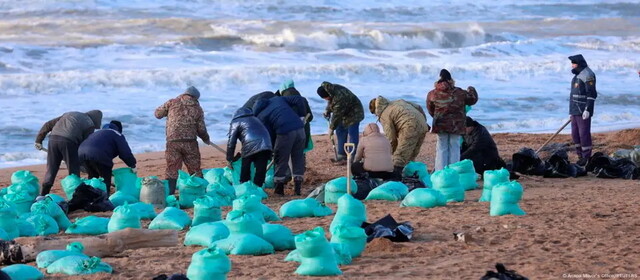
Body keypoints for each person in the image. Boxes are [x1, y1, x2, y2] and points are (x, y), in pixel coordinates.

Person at [155, 86, 211, 194]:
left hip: (173, 141)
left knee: (172, 169)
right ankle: (200, 193)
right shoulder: (197, 109)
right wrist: (206, 139)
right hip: (190, 142)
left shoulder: (171, 102)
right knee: (195, 169)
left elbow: (157, 114)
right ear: (195, 98)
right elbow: (201, 129)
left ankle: (170, 194)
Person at [35, 110, 103, 196]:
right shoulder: (90, 124)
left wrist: (38, 140)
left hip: (53, 139)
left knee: (51, 169)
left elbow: (48, 125)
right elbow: (85, 146)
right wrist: (81, 163)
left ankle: (43, 194)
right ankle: (75, 196)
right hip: (69, 142)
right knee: (73, 171)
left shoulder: (69, 114)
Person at [253, 95, 308, 195]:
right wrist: (302, 116)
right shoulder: (278, 99)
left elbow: (269, 135)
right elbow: (299, 98)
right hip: (300, 129)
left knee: (281, 158)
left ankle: (279, 189)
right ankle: (297, 188)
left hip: (285, 132)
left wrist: (272, 150)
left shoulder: (261, 116)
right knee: (298, 157)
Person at [426, 69, 478, 171]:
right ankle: (453, 172)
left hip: (440, 124)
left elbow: (430, 109)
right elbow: (473, 100)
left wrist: (437, 117)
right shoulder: (459, 92)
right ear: (451, 80)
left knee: (441, 147)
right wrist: (471, 89)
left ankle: (440, 172)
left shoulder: (432, 93)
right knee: (454, 147)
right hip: (457, 125)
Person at [369, 96, 430, 177]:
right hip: (422, 125)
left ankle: (396, 178)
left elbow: (391, 138)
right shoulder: (398, 101)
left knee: (400, 156)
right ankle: (410, 175)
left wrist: (391, 153)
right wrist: (424, 121)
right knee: (411, 154)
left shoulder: (384, 114)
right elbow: (418, 107)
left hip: (409, 127)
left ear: (376, 110)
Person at [78, 120, 137, 194]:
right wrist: (132, 165)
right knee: (106, 179)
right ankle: (105, 199)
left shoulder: (97, 133)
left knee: (93, 177)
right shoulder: (117, 134)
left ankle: (91, 197)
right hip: (98, 154)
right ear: (119, 129)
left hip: (81, 152)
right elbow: (125, 152)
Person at [317, 81, 364, 164]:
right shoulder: (330, 90)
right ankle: (342, 154)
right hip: (344, 112)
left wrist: (331, 128)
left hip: (355, 112)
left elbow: (336, 115)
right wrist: (327, 110)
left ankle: (353, 156)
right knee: (340, 130)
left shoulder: (339, 97)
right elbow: (331, 101)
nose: (326, 100)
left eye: (325, 98)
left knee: (352, 133)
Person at [226, 107, 273, 187]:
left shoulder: (236, 122)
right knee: (260, 169)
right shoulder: (255, 119)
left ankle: (245, 186)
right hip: (266, 144)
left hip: (250, 145)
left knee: (246, 167)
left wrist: (229, 159)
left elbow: (231, 142)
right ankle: (258, 188)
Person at [568, 54, 597, 166]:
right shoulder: (577, 75)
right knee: (575, 134)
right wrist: (571, 111)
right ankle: (580, 156)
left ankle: (586, 157)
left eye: (573, 63)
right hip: (574, 109)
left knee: (584, 134)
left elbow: (592, 94)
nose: (572, 66)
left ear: (579, 63)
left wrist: (588, 109)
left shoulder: (588, 74)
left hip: (583, 110)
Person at [280, 79, 314, 150]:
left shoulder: (282, 101)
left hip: (289, 134)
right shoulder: (303, 99)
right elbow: (310, 117)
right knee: (300, 154)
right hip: (304, 133)